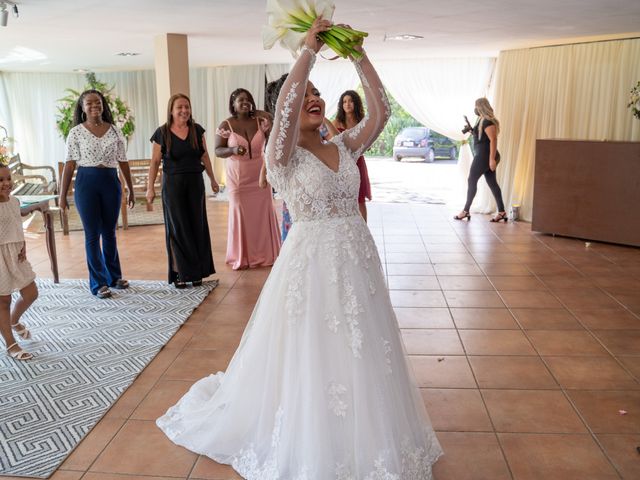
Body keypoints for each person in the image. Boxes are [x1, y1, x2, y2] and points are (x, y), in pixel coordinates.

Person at [157, 18, 442, 478]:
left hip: (357, 259)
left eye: (318, 94)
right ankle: (315, 437)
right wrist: (305, 53)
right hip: (310, 263)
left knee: (362, 346)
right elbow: (285, 114)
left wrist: (355, 54)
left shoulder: (345, 146)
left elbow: (382, 111)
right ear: (285, 107)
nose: (313, 99)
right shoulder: (280, 157)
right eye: (303, 94)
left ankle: (368, 436)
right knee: (314, 349)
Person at [60, 90, 135, 298]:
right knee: (92, 234)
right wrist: (62, 194)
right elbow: (69, 164)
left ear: (103, 105)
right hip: (86, 183)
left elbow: (123, 161)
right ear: (83, 108)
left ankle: (114, 277)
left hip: (111, 182)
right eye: (90, 103)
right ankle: (98, 283)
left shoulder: (115, 131)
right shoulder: (75, 132)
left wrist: (130, 188)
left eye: (98, 102)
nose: (95, 106)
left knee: (109, 232)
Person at [147, 94, 218, 288]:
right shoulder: (162, 133)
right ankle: (180, 272)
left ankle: (197, 272)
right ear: (171, 110)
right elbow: (154, 162)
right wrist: (150, 188)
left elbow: (205, 156)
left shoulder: (196, 130)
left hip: (195, 183)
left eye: (187, 107)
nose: (184, 110)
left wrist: (212, 179)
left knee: (197, 225)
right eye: (180, 107)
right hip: (172, 185)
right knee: (178, 228)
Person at [214, 88, 281, 269]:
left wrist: (258, 111)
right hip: (238, 178)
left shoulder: (261, 122)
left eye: (248, 100)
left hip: (260, 176)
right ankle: (242, 256)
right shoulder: (225, 125)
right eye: (241, 100)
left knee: (262, 213)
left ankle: (266, 253)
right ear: (233, 104)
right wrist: (233, 150)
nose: (245, 102)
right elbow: (218, 151)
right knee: (241, 214)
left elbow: (275, 130)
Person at [0, 163, 38, 361]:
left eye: (8, 178)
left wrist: (22, 244)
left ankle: (14, 320)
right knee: (3, 300)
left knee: (31, 293)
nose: (6, 183)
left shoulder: (14, 201)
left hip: (16, 254)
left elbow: (16, 224)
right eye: (1, 180)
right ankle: (10, 343)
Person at [454, 97, 507, 222]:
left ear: (481, 107)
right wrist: (472, 130)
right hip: (484, 155)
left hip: (485, 156)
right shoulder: (482, 120)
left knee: (472, 179)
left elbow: (493, 140)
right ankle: (502, 212)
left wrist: (492, 160)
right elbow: (482, 138)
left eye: (476, 106)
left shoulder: (488, 121)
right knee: (492, 183)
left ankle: (466, 211)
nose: (475, 109)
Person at [333, 90, 373, 221]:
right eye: (344, 101)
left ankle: (364, 230)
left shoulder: (362, 122)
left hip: (357, 162)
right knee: (342, 198)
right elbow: (330, 143)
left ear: (356, 103)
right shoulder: (337, 122)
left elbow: (369, 144)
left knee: (360, 199)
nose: (347, 104)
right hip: (341, 164)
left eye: (350, 101)